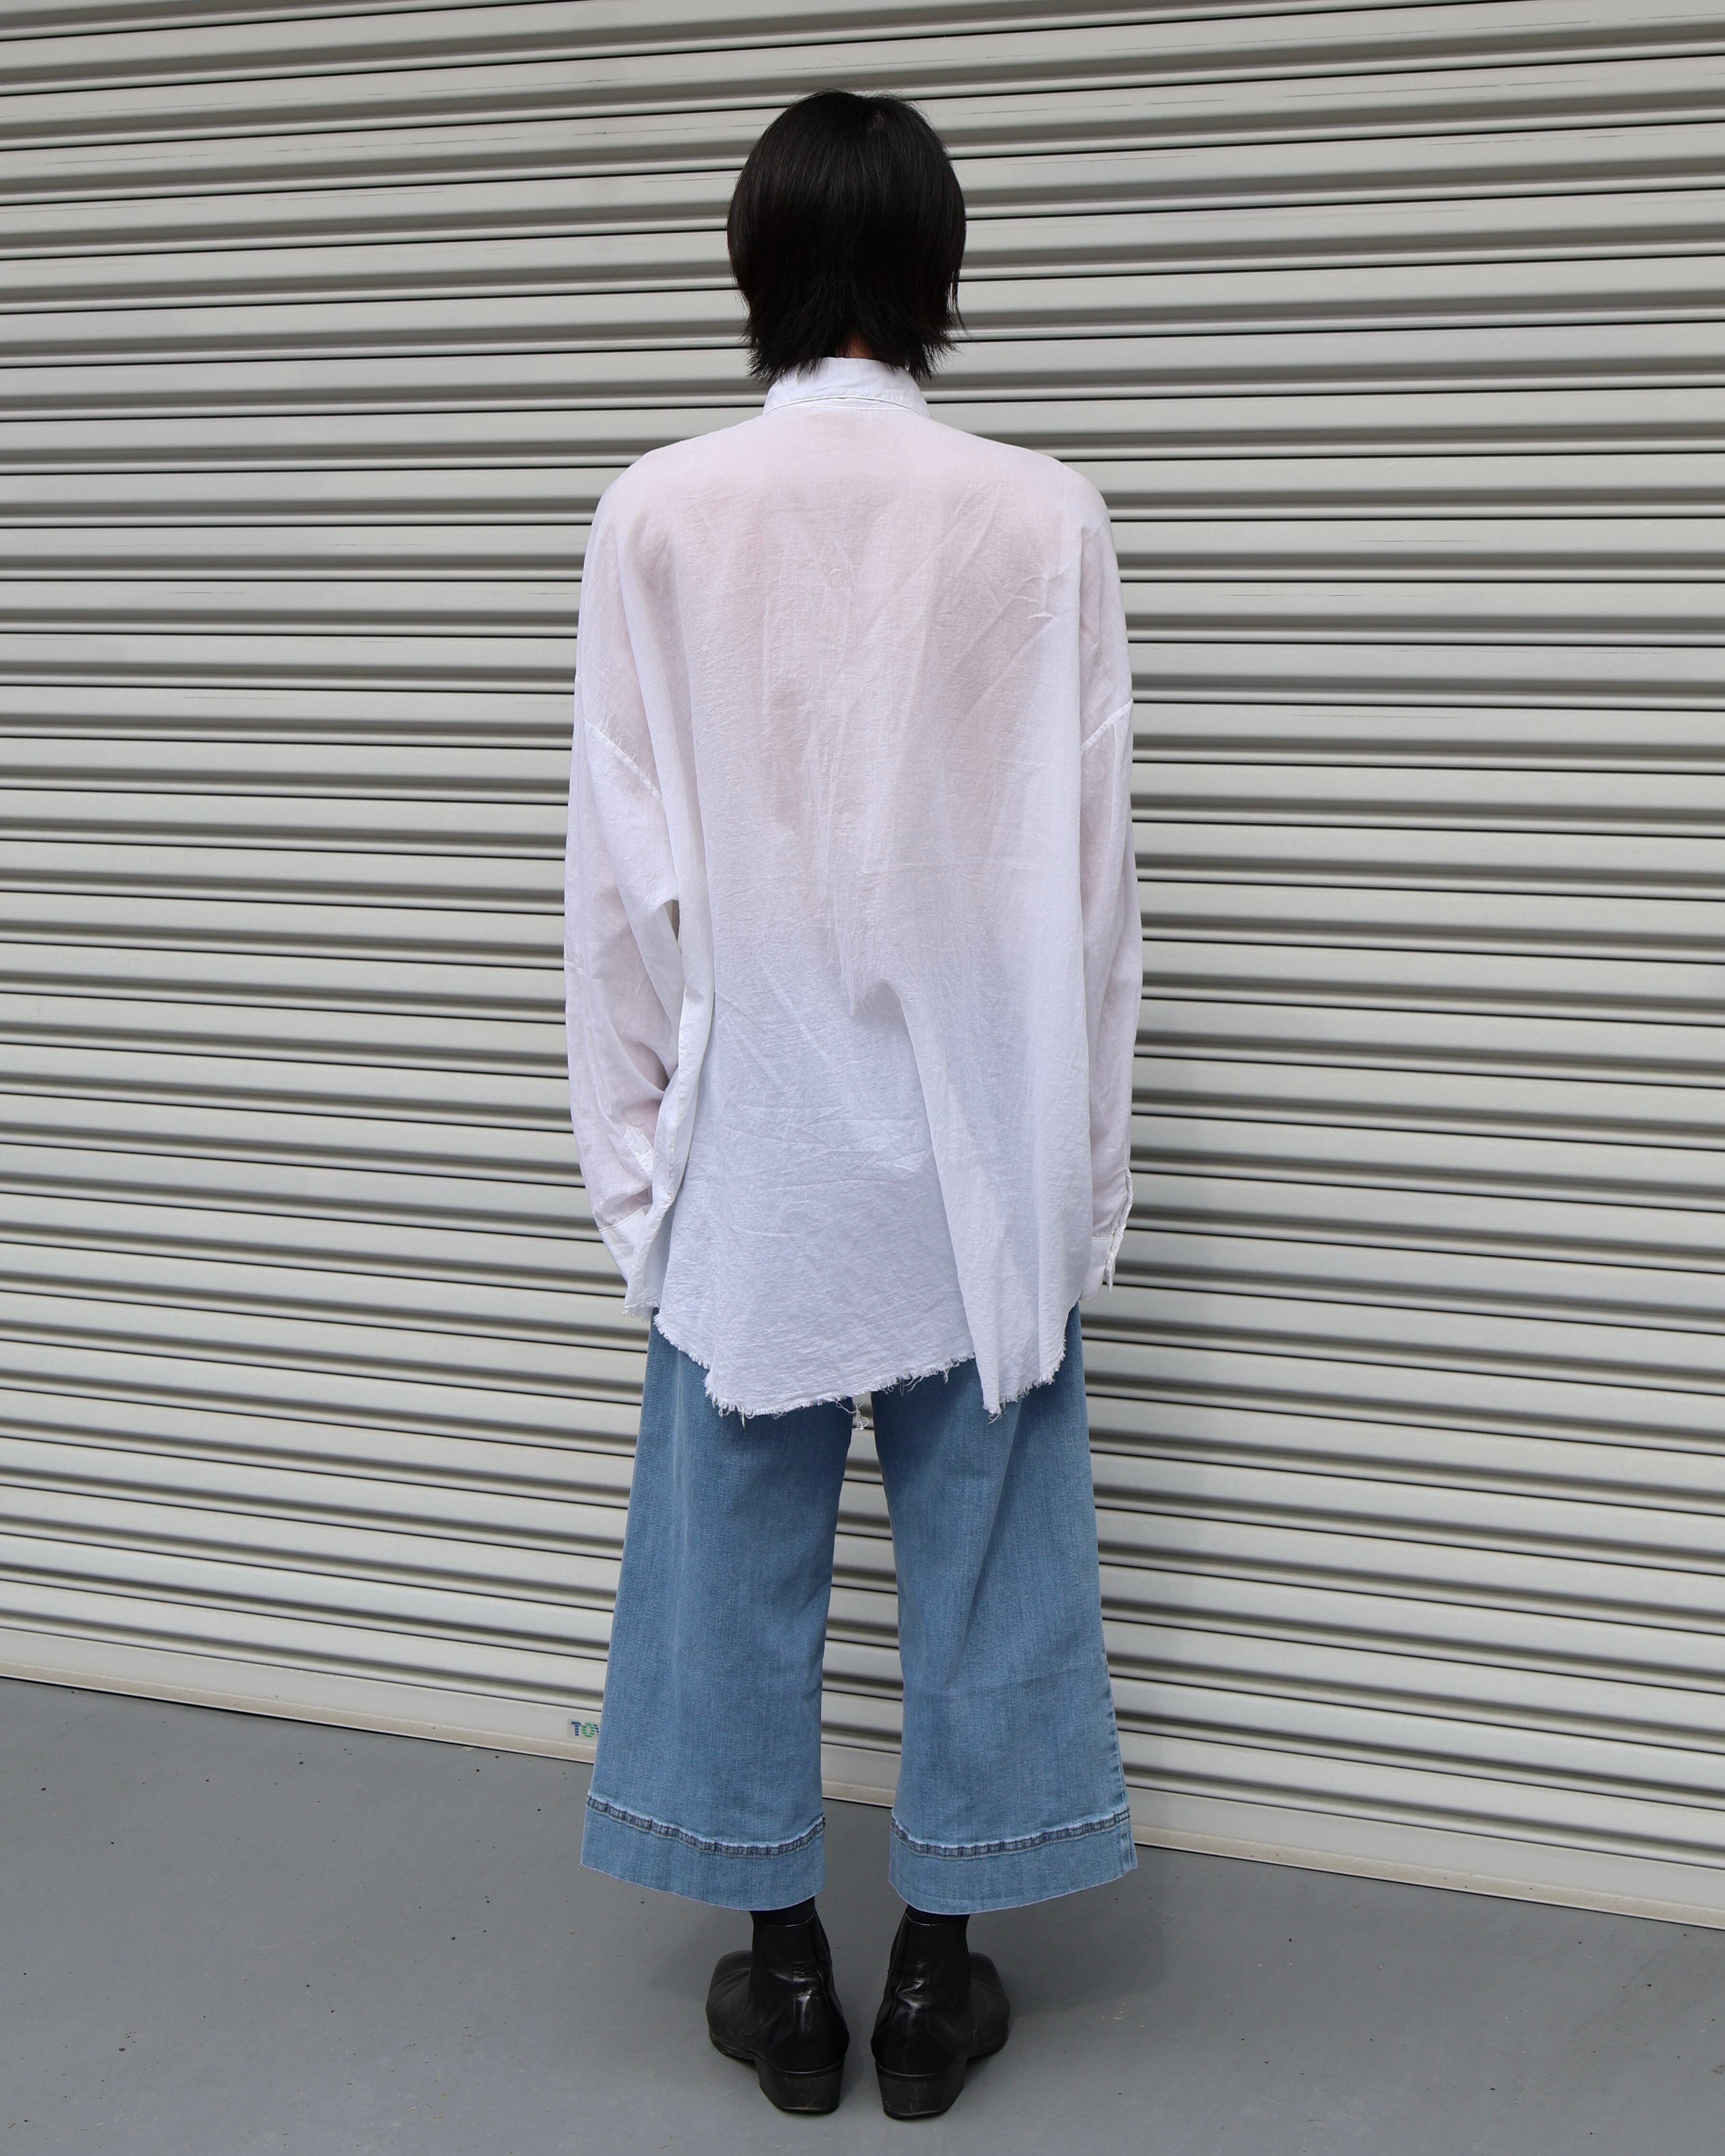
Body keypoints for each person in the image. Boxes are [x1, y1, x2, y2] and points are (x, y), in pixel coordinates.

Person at [564, 87, 1142, 2121]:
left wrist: (637, 1178)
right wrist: (1080, 1194)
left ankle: (789, 1976)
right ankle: (935, 1980)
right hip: (980, 1136)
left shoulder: (658, 512)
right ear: (936, 270)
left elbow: (619, 882)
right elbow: (1088, 894)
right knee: (985, 1561)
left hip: (761, 1143)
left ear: (755, 266)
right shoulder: (1042, 518)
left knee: (730, 1566)